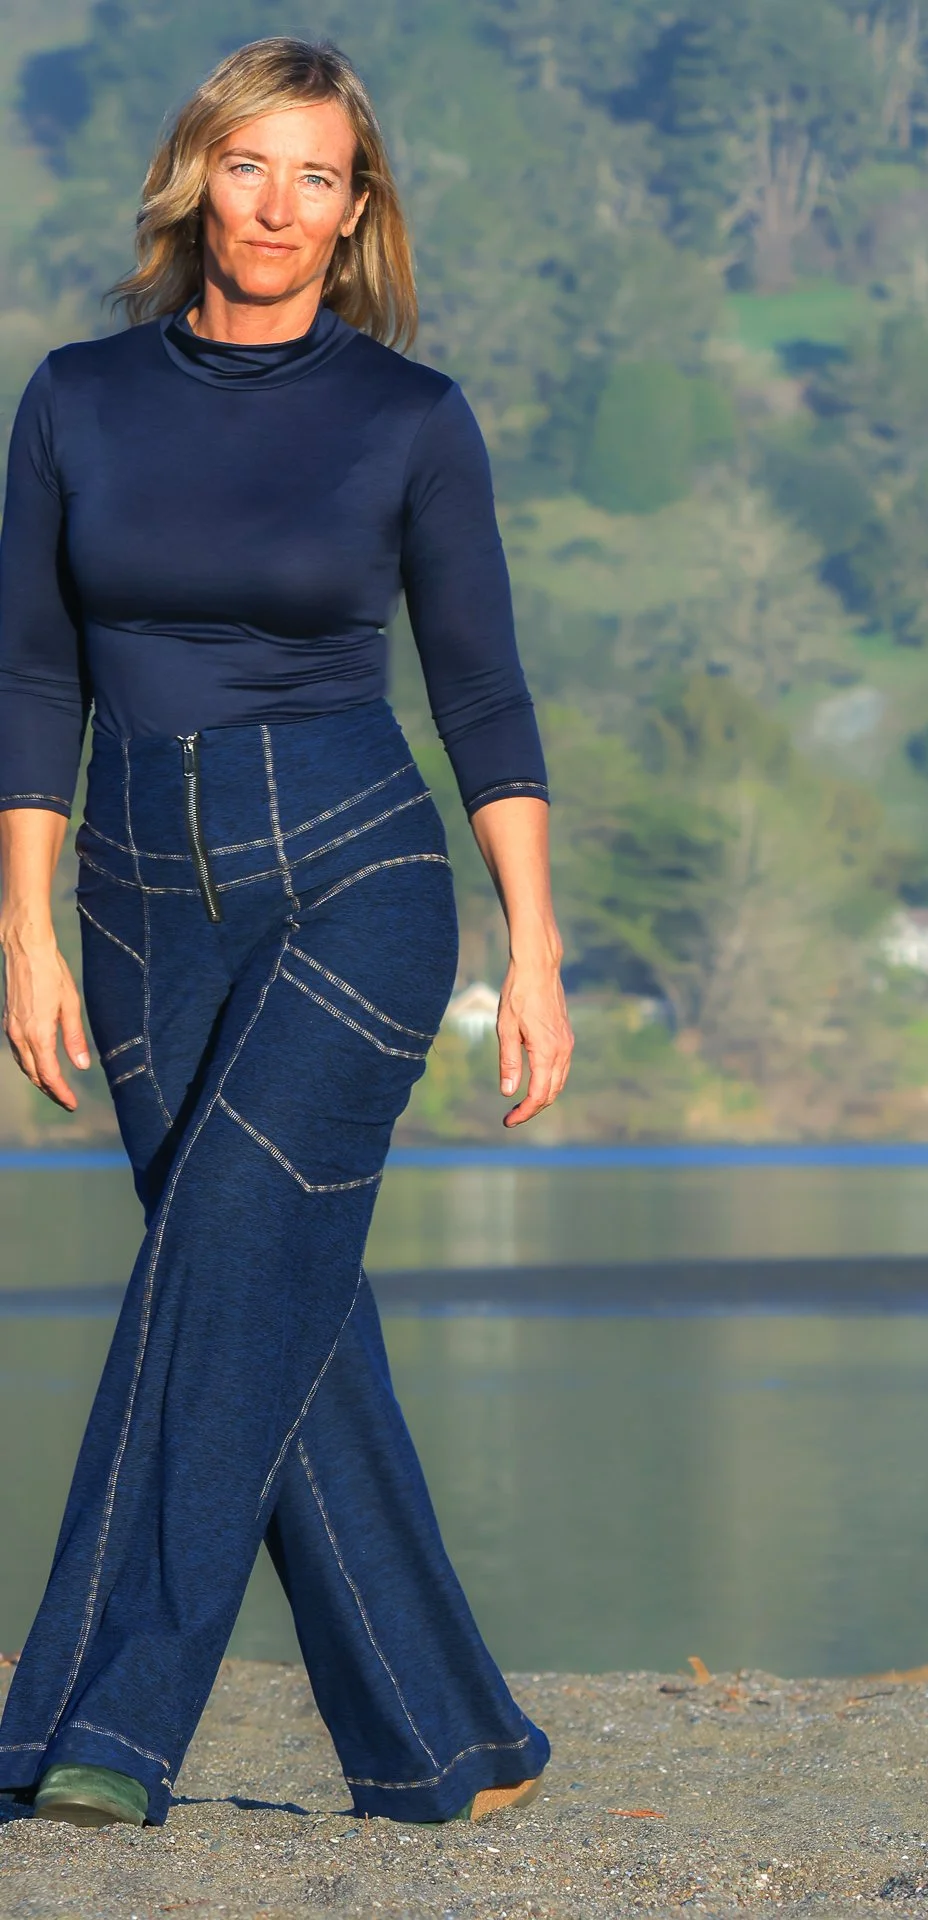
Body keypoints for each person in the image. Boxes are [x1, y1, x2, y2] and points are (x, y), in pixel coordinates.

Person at [0, 36, 572, 1832]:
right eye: (250, 165)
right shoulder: (75, 398)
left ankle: (100, 1718)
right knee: (272, 1303)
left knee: (223, 1262)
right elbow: (28, 678)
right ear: (197, 178)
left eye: (317, 175)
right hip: (133, 898)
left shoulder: (412, 421)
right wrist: (21, 926)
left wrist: (533, 946)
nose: (278, 205)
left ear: (357, 209)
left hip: (353, 872)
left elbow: (480, 691)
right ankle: (445, 1746)